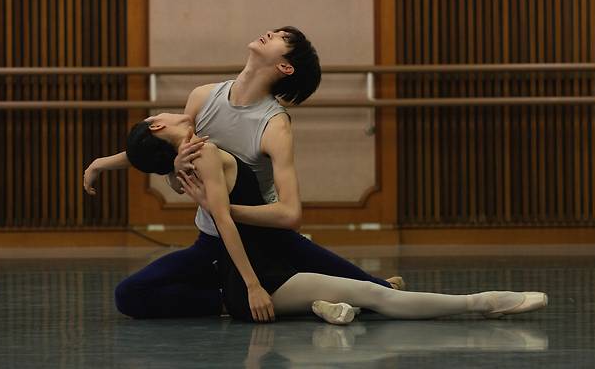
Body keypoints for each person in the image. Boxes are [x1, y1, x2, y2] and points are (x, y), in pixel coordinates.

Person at [84, 27, 404, 319]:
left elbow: (290, 214)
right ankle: (232, 301)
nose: (270, 32)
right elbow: (158, 144)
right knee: (128, 295)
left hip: (266, 239)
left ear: (285, 67)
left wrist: (220, 209)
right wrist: (104, 163)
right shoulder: (203, 97)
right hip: (211, 242)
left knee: (379, 294)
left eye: (281, 37)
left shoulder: (275, 125)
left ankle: (371, 289)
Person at [126, 112, 548, 324]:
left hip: (273, 261)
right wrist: (255, 287)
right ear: (158, 123)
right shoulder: (204, 157)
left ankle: (323, 307)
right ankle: (482, 303)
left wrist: (99, 165)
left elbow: (138, 155)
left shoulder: (189, 156)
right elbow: (225, 225)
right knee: (376, 296)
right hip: (265, 277)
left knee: (364, 290)